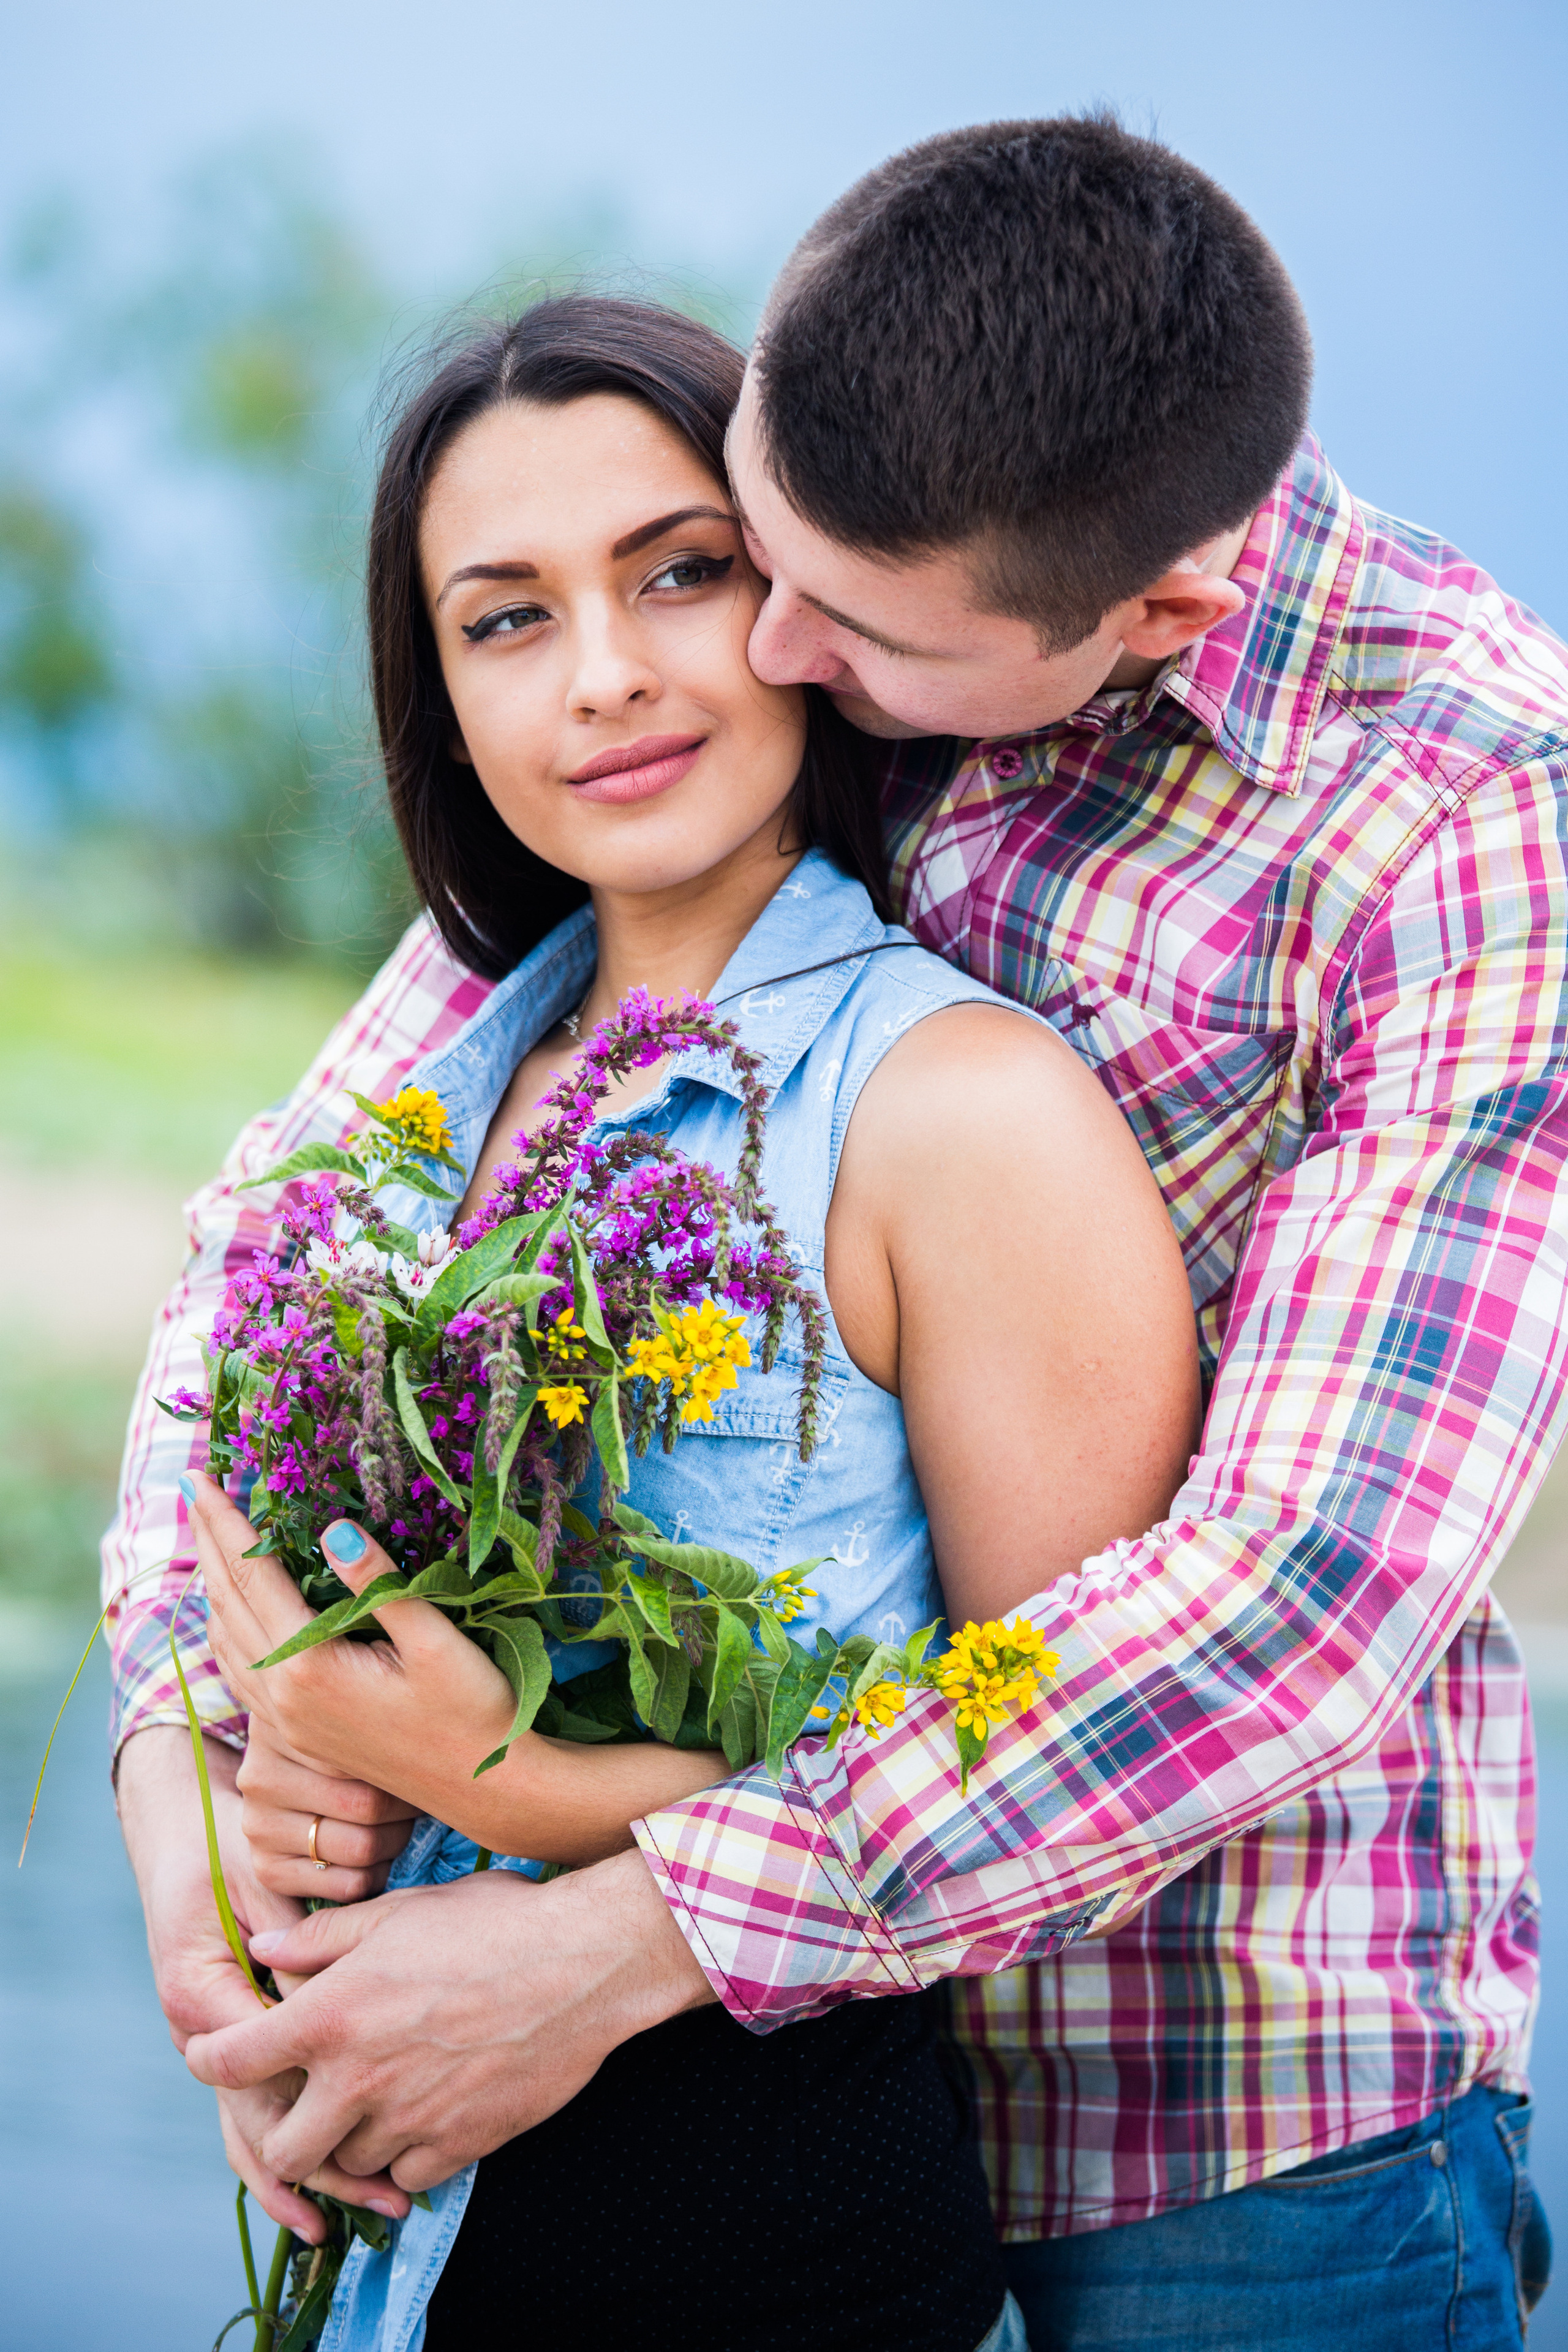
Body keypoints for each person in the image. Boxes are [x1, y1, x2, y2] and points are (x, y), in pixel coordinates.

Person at [111, 116, 1564, 2348]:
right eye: (748, 548)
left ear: (1147, 613)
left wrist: (579, 1912)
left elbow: (1294, 1600)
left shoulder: (1462, 818)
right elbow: (273, 1242)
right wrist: (184, 1759)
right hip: (724, 2094)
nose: (746, 647)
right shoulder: (852, 634)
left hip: (1221, 2135)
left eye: (775, 601)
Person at [128, 290, 1198, 2352]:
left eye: (677, 575)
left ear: (801, 604)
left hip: (779, 2273)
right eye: (506, 618)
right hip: (393, 2281)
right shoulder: (415, 1119)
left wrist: (508, 1774)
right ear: (437, 693)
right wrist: (261, 1833)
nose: (607, 678)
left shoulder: (958, 1111)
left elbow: (1041, 1770)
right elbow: (241, 1605)